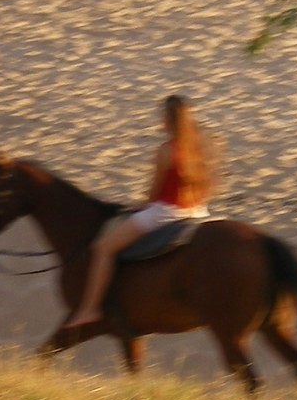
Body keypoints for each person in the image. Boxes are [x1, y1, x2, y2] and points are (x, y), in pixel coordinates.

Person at [64, 93, 216, 329]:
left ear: (169, 119)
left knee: (103, 248)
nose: (160, 120)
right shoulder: (200, 148)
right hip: (197, 212)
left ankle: (90, 309)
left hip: (165, 212)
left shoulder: (166, 151)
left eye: (163, 115)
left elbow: (154, 193)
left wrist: (140, 207)